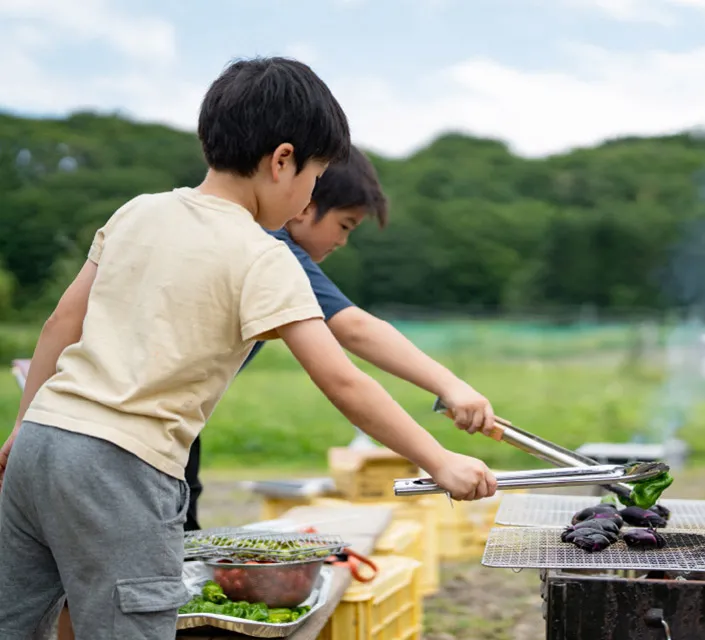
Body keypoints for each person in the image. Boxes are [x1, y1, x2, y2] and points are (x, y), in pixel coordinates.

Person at [0, 57, 496, 640]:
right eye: (316, 176)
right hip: (123, 467)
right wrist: (439, 461)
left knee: (14, 620)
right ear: (282, 160)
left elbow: (61, 323)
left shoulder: (138, 211)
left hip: (40, 442)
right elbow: (343, 380)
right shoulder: (264, 256)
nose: (309, 196)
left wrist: (23, 426)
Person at [184, 144, 497, 531]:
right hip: (154, 426)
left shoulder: (190, 221)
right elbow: (352, 332)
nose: (343, 241)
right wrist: (449, 390)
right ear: (304, 202)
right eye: (345, 225)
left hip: (172, 421)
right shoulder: (271, 248)